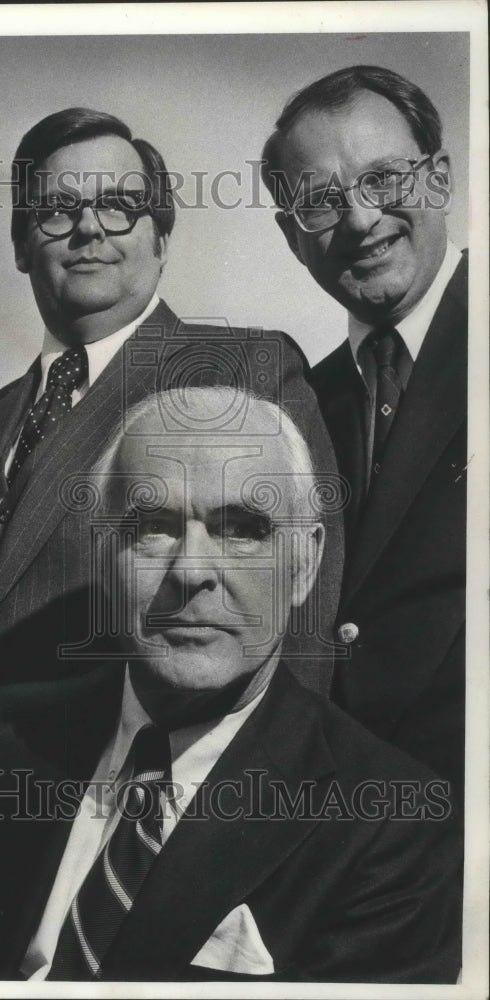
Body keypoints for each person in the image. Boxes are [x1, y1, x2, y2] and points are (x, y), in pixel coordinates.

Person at [0, 387, 461, 982]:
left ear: (304, 565)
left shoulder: (396, 826)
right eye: (153, 526)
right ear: (102, 552)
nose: (192, 570)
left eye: (243, 529)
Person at [0, 107, 343, 701]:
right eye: (57, 209)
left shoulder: (247, 372)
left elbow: (305, 619)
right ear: (20, 245)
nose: (90, 228)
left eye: (119, 206)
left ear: (161, 240)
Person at [261, 65, 466, 793]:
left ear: (439, 180)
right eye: (320, 201)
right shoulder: (300, 405)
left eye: (383, 179)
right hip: (337, 820)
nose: (359, 219)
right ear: (292, 237)